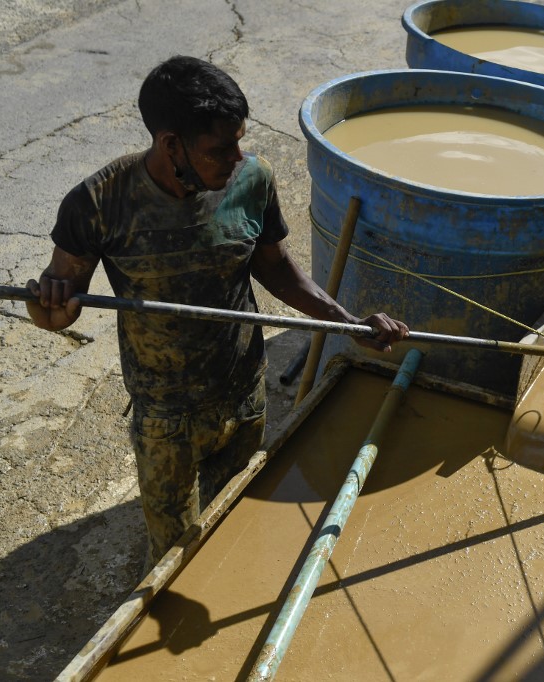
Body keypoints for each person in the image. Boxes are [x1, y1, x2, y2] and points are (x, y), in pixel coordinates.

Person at [25, 55, 408, 567]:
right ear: (169, 144)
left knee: (232, 530)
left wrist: (349, 322)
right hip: (166, 417)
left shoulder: (252, 181)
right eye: (219, 148)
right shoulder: (99, 202)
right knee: (174, 559)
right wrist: (48, 310)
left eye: (238, 140)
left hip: (244, 393)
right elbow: (60, 303)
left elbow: (276, 270)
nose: (236, 156)